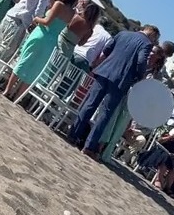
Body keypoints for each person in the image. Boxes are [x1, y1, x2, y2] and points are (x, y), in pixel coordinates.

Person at [67, 24, 160, 160]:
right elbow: (141, 61)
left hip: (104, 71)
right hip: (120, 80)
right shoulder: (146, 43)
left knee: (89, 104)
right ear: (152, 35)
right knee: (105, 113)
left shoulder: (123, 34)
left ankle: (73, 134)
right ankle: (89, 146)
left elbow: (107, 49)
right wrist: (139, 77)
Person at [2, 0, 79, 100]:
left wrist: (37, 19)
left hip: (41, 34)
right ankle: (18, 96)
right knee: (35, 68)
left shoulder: (58, 4)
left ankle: (7, 90)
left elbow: (47, 22)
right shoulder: (72, 13)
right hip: (52, 41)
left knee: (24, 60)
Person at [138, 121, 174, 192]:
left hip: (171, 158)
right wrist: (169, 137)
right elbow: (159, 141)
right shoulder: (172, 133)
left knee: (173, 169)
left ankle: (167, 188)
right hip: (160, 152)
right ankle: (158, 180)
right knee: (166, 158)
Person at [70, 7, 112, 72]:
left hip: (74, 51)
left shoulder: (92, 27)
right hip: (84, 59)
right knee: (70, 81)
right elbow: (102, 55)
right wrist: (93, 66)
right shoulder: (108, 37)